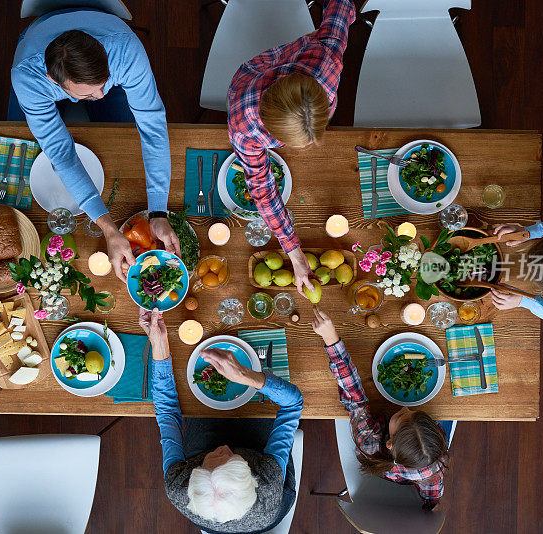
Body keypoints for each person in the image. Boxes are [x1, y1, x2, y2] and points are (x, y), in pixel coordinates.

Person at [10, 8, 180, 280]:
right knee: (19, 138)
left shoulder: (125, 51)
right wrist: (109, 229)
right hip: (36, 45)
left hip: (109, 36)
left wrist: (158, 210)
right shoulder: (27, 76)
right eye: (89, 93)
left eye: (103, 84)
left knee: (120, 134)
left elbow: (153, 127)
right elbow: (62, 154)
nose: (99, 96)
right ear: (55, 81)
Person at [226, 0, 356, 297]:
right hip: (255, 72)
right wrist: (295, 253)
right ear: (269, 132)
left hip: (299, 60)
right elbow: (261, 188)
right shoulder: (244, 125)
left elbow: (339, 9)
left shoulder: (325, 60)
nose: (309, 145)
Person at [140, 309, 303, 533]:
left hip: (219, 488)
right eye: (232, 457)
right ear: (253, 476)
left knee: (200, 417)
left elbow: (167, 413)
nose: (225, 447)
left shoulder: (177, 485)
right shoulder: (269, 482)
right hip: (268, 501)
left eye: (215, 457)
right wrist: (246, 375)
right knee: (263, 412)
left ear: (194, 475)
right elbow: (293, 404)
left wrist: (159, 344)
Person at [311, 307, 449, 510]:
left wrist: (331, 339)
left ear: (390, 443)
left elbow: (354, 397)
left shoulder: (368, 441)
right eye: (415, 413)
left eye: (402, 416)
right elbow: (433, 494)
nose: (405, 408)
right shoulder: (432, 467)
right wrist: (430, 506)